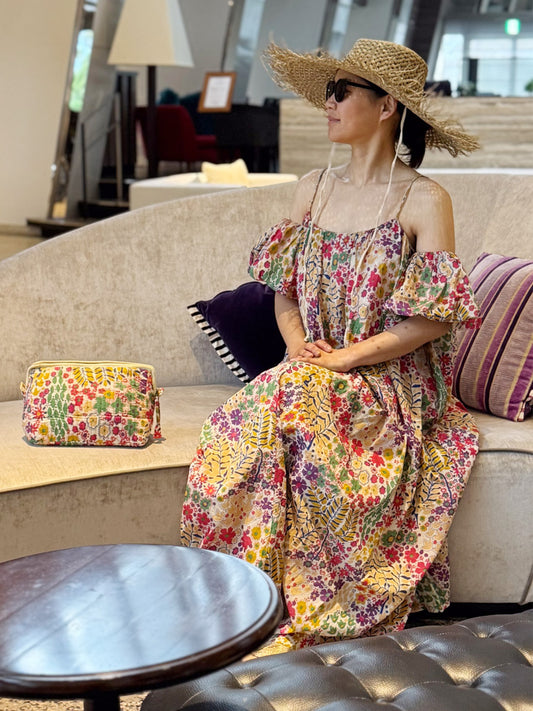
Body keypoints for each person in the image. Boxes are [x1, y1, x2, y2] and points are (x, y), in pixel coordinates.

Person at [180, 38, 482, 654]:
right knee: (242, 422)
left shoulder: (425, 199)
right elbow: (284, 291)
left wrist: (345, 358)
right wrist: (300, 348)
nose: (329, 103)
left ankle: (296, 606)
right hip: (313, 369)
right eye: (328, 91)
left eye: (342, 91)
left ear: (387, 106)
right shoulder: (313, 188)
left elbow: (432, 320)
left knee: (285, 407)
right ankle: (230, 600)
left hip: (389, 382)